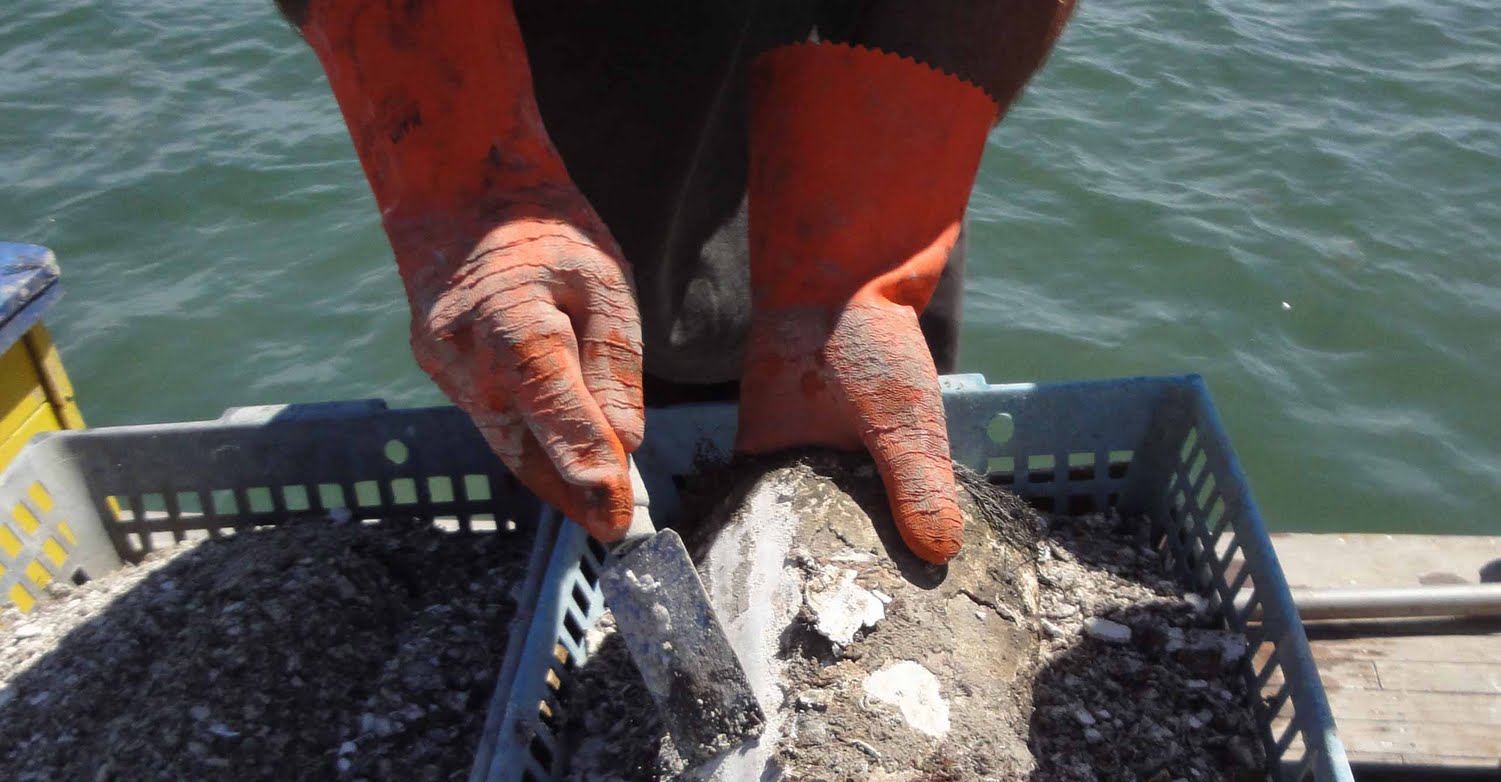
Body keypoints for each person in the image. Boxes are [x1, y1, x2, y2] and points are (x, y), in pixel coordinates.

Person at [278, 2, 1076, 562]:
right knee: (552, 388)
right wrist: (469, 189)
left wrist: (862, 259)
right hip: (523, 70)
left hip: (856, 83)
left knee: (867, 432)